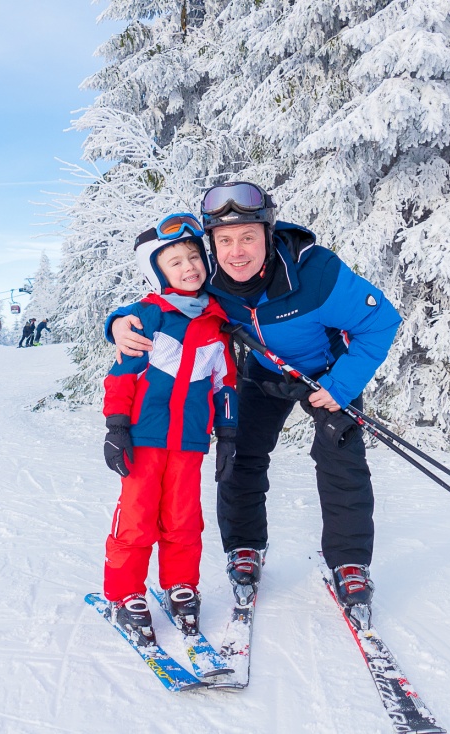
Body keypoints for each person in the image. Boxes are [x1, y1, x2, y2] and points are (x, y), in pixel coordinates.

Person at [109, 182, 401, 620]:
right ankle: (245, 546)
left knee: (340, 456)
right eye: (224, 241)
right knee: (243, 451)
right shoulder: (212, 284)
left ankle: (349, 562)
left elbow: (382, 322)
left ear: (268, 232)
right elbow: (162, 302)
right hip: (267, 371)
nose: (236, 252)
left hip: (327, 372)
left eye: (248, 236)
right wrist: (116, 323)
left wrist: (339, 388)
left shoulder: (315, 273)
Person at [100, 213, 238, 643]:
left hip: (190, 440)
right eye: (175, 262)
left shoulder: (216, 324)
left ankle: (181, 585)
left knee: (183, 518)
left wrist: (229, 435)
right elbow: (122, 375)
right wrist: (117, 425)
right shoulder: (147, 316)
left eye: (193, 256)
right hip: (144, 437)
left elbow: (224, 384)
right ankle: (125, 594)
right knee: (138, 517)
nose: (188, 267)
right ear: (159, 273)